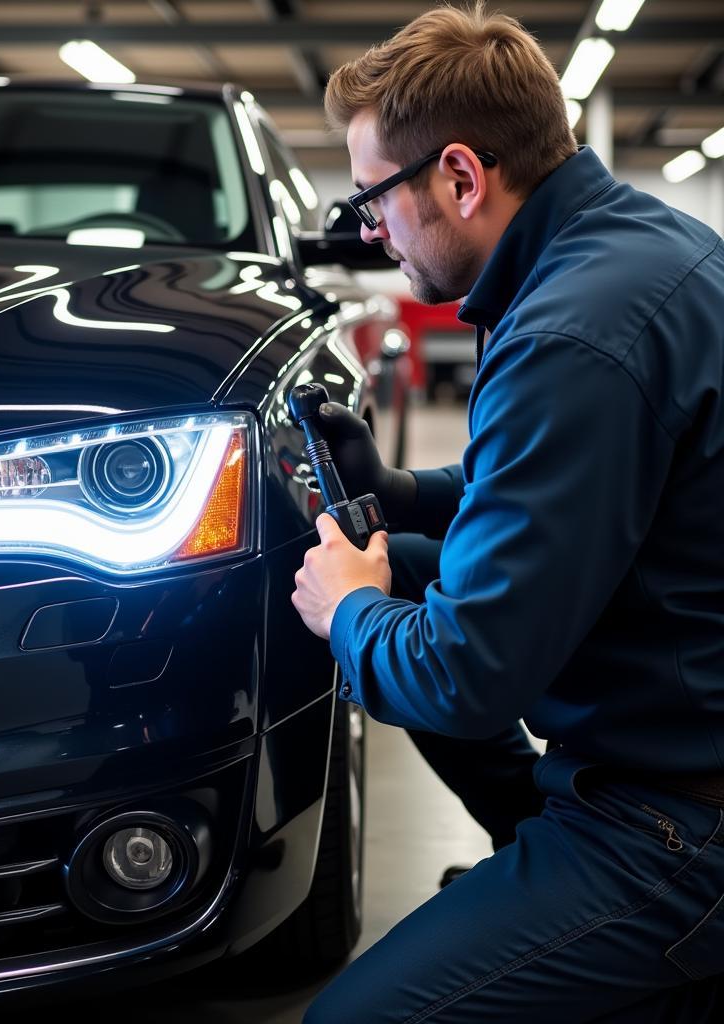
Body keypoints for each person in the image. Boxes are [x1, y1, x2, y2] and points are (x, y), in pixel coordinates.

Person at [291, 5, 724, 1022]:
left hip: (675, 819)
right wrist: (401, 497)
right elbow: (568, 491)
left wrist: (346, 611)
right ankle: (528, 868)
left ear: (458, 176)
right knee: (401, 560)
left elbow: (464, 675)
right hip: (675, 717)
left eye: (374, 199)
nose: (371, 231)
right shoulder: (630, 252)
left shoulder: (571, 337)